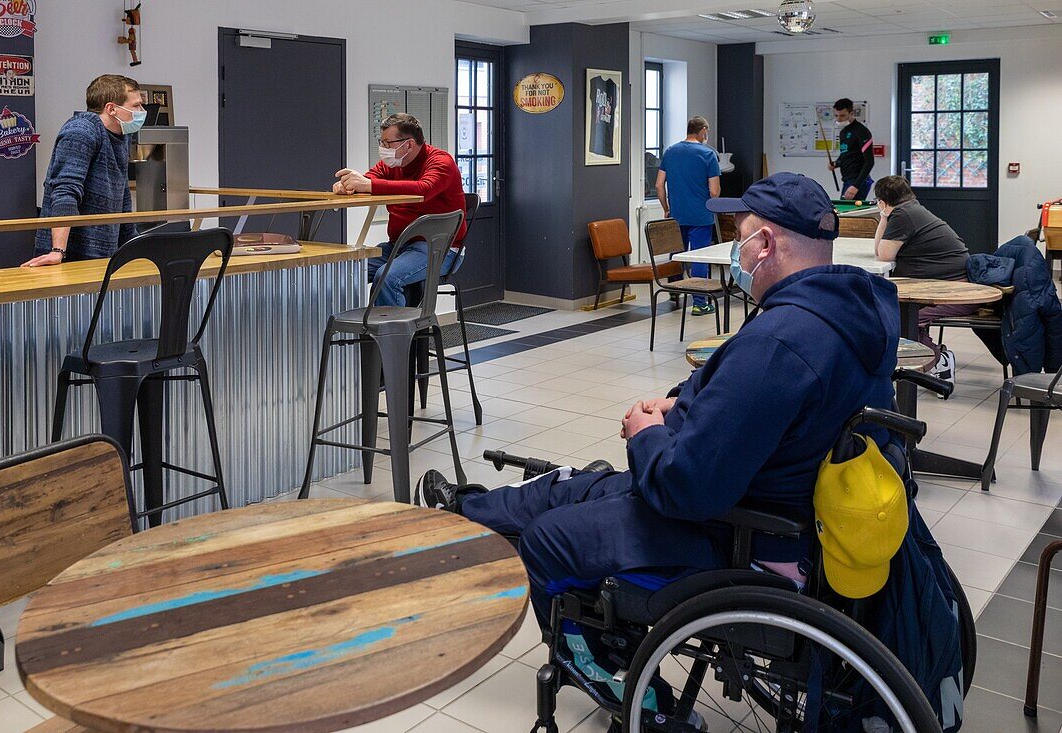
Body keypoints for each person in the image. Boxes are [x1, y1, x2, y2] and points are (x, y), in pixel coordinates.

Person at [415, 174, 900, 702]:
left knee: (550, 538)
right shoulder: (846, 312)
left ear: (764, 244)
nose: (739, 250)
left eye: (742, 237)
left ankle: (612, 680)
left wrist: (645, 433)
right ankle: (461, 516)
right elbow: (752, 404)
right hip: (771, 500)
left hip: (738, 534)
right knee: (576, 485)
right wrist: (683, 403)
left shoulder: (781, 341)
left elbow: (683, 488)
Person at [334, 114, 466, 307]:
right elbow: (367, 180)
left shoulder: (440, 161)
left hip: (439, 248)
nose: (383, 149)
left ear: (409, 144)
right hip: (398, 246)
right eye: (382, 142)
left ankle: (391, 336)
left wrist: (367, 185)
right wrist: (347, 186)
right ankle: (352, 330)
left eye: (388, 143)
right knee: (344, 273)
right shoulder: (392, 165)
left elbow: (424, 189)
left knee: (387, 278)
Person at [23, 75, 144, 268]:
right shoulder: (81, 131)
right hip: (71, 255)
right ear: (112, 109)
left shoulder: (122, 135)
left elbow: (122, 195)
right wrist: (58, 251)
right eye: (136, 105)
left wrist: (135, 247)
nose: (141, 112)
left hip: (104, 251)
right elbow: (65, 191)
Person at [873, 175, 971, 383]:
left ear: (883, 202)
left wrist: (883, 216)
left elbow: (883, 254)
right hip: (952, 287)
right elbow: (881, 251)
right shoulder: (911, 209)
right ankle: (934, 358)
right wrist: (884, 216)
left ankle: (939, 360)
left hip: (958, 293)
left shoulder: (902, 215)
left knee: (901, 318)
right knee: (900, 312)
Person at [656, 116, 721, 316]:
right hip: (701, 214)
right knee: (699, 257)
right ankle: (699, 302)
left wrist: (666, 208)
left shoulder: (670, 152)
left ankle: (674, 291)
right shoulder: (708, 154)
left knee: (676, 253)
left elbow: (659, 185)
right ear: (702, 131)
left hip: (677, 214)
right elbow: (715, 191)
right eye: (706, 132)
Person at [827, 98, 875, 201]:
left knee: (846, 215)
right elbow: (845, 155)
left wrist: (856, 186)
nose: (839, 119)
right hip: (848, 179)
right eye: (836, 116)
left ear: (851, 113)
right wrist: (836, 163)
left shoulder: (862, 131)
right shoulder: (843, 132)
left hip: (858, 181)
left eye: (842, 115)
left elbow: (870, 162)